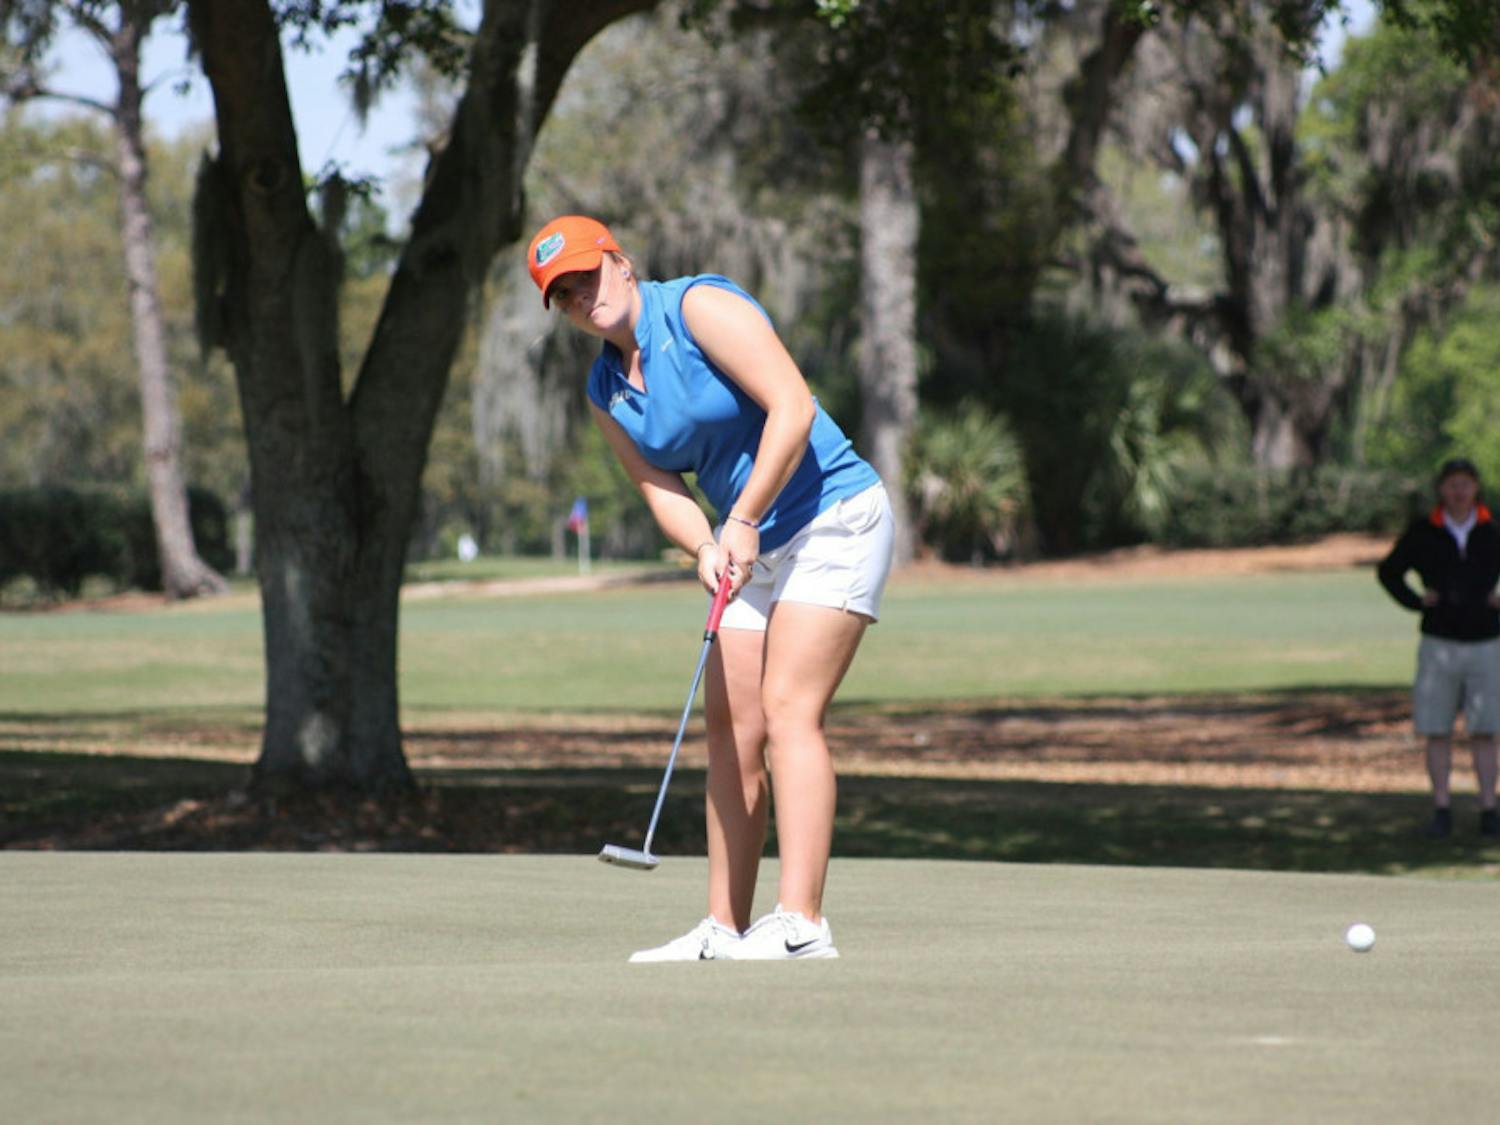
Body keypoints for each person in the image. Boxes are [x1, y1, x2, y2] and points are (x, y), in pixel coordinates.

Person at [525, 215, 896, 959]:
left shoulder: (697, 308)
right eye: (562, 295)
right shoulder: (605, 389)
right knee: (732, 732)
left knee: (791, 707)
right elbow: (658, 485)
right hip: (744, 542)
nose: (580, 298)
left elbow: (795, 406)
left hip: (833, 516)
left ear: (621, 263)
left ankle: (801, 924)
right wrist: (702, 541)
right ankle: (724, 927)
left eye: (586, 277)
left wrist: (745, 515)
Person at [1377, 457, 1500, 839]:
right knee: (1437, 729)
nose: (1459, 491)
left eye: (1465, 483)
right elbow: (1389, 571)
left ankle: (1488, 809)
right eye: (1452, 484)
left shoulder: (1492, 529)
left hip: (1486, 641)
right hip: (1439, 641)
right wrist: (1417, 601)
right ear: (1442, 489)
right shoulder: (1423, 532)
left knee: (1486, 730)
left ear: (1475, 488)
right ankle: (1442, 808)